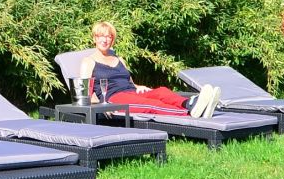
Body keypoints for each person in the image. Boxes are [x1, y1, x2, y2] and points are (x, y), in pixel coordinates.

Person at [79, 21, 221, 118]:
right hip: (114, 98)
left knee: (161, 91)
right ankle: (191, 112)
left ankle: (191, 103)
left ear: (112, 40)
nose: (105, 40)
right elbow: (84, 93)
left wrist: (139, 86)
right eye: (101, 36)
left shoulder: (119, 59)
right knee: (151, 105)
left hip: (131, 92)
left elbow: (129, 82)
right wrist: (100, 107)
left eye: (108, 36)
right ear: (94, 38)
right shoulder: (89, 61)